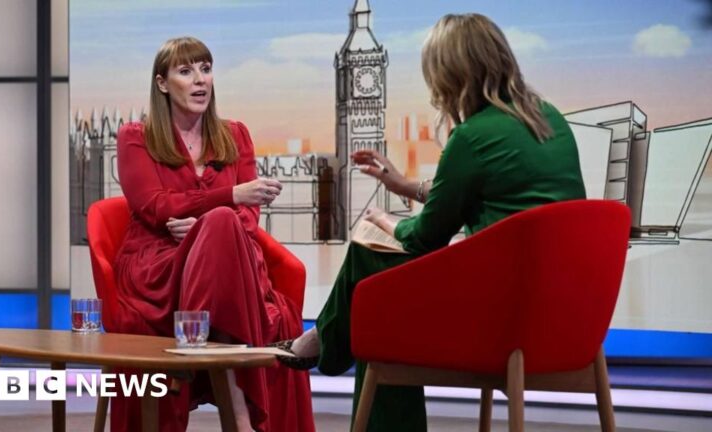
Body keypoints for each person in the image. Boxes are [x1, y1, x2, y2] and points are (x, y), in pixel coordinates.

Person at [275, 13, 587, 431]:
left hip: (501, 323)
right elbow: (481, 193)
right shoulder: (550, 118)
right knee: (378, 297)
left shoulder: (471, 137)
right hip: (566, 317)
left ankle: (324, 342)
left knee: (374, 281)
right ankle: (323, 341)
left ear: (450, 75)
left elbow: (425, 237)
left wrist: (384, 221)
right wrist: (404, 185)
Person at [113, 37, 315, 432]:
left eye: (205, 69)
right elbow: (155, 206)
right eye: (186, 71)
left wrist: (206, 232)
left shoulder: (235, 135)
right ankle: (239, 417)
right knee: (221, 220)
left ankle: (209, 380)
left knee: (222, 227)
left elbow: (247, 221)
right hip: (161, 266)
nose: (200, 79)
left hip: (227, 260)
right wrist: (229, 196)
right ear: (162, 83)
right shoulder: (135, 137)